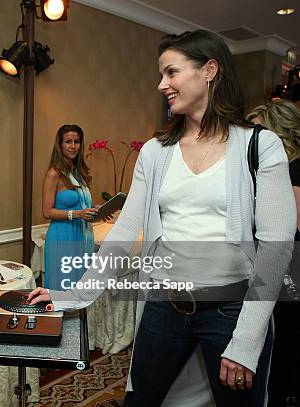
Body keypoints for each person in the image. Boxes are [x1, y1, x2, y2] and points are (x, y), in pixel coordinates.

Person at [28, 30, 296, 406]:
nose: (161, 85)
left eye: (171, 73)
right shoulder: (156, 152)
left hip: (231, 311)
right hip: (164, 306)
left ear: (210, 70)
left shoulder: (259, 145)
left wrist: (247, 340)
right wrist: (72, 296)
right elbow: (124, 229)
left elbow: (276, 248)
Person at [247, 99, 300, 406]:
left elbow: (288, 227)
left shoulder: (292, 170)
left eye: (258, 131)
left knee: (281, 341)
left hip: (288, 271)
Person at [42, 124, 98, 291]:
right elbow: (47, 211)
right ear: (60, 145)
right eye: (68, 141)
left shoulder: (79, 172)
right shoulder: (54, 173)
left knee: (80, 290)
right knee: (63, 290)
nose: (73, 146)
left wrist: (96, 210)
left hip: (82, 235)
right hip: (62, 237)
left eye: (77, 141)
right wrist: (79, 213)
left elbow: (81, 205)